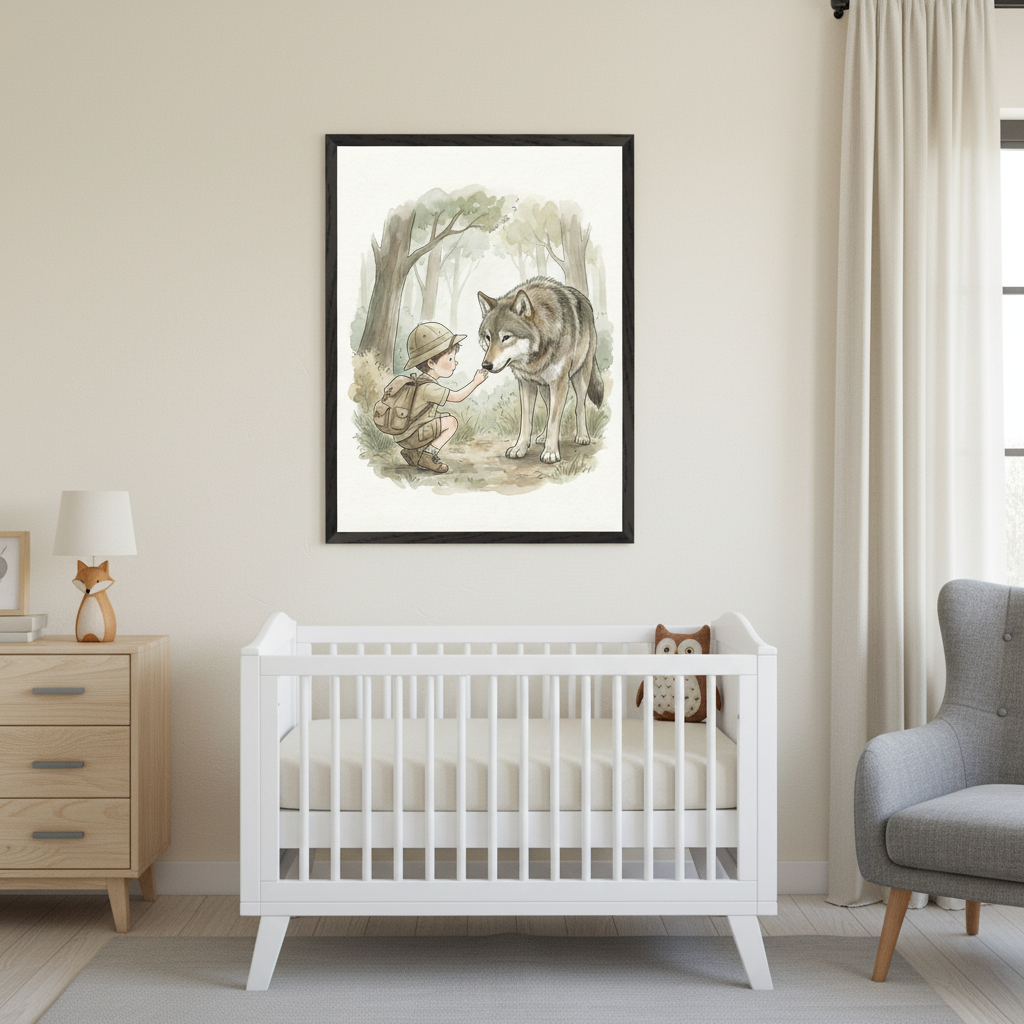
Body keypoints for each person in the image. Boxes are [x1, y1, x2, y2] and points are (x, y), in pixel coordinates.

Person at [389, 322, 488, 474]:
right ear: (431, 363)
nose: (455, 363)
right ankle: (428, 455)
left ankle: (413, 453)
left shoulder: (419, 381)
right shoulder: (429, 388)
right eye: (450, 359)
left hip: (405, 435)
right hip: (412, 436)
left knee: (442, 417)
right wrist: (476, 382)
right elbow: (457, 397)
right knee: (451, 422)